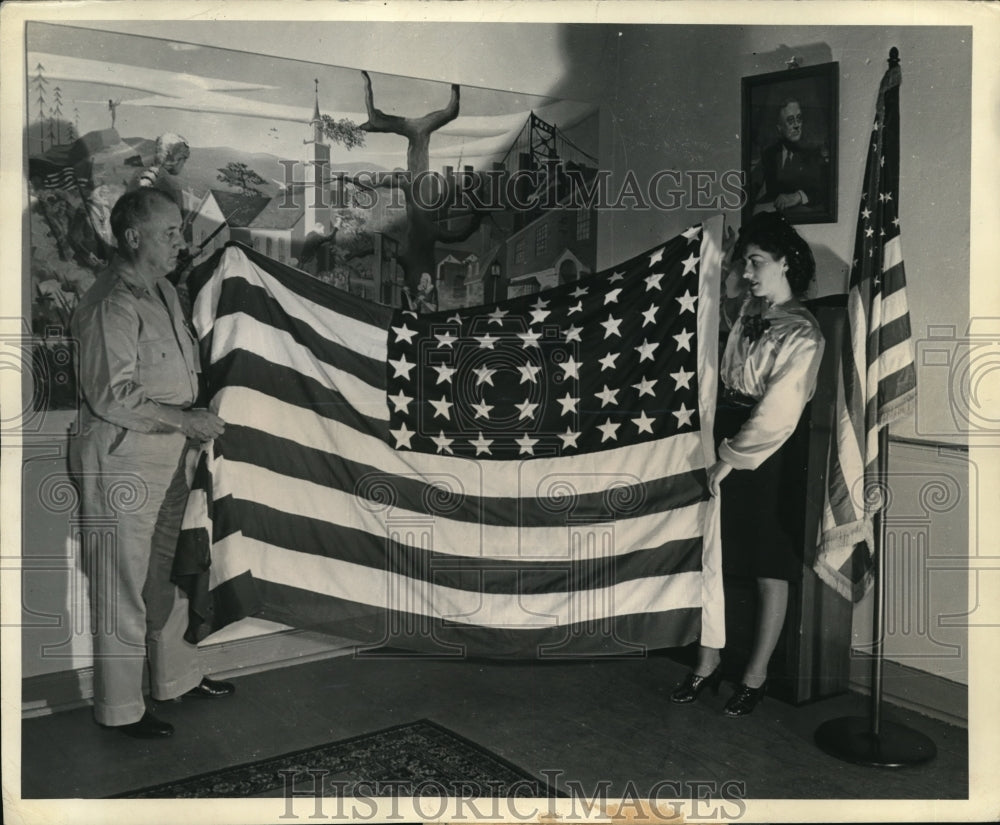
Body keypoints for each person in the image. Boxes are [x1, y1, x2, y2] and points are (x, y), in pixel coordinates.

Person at [71, 188, 233, 739]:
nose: (180, 243)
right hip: (122, 462)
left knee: (169, 571)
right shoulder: (109, 302)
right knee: (123, 584)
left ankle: (177, 679)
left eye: (180, 232)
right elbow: (111, 396)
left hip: (169, 459)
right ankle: (122, 708)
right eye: (170, 233)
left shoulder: (162, 290)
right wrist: (186, 420)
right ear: (133, 236)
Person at [671, 211, 825, 717]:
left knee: (766, 567)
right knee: (713, 556)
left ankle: (755, 676)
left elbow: (779, 412)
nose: (750, 273)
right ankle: (707, 664)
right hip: (727, 435)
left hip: (767, 454)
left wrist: (729, 460)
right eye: (746, 263)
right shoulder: (747, 314)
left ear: (785, 263)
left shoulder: (803, 332)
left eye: (757, 263)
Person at [753, 98, 828, 216]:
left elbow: (824, 189)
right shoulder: (770, 153)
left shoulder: (814, 151)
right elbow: (756, 187)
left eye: (799, 119)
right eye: (790, 121)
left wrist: (798, 196)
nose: (797, 126)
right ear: (780, 128)